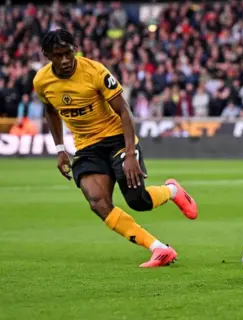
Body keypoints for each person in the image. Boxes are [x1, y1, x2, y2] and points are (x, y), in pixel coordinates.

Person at [33, 29, 198, 268]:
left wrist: (130, 154)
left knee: (137, 201)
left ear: (75, 48)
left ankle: (172, 191)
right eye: (58, 55)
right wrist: (60, 148)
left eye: (69, 53)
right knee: (98, 202)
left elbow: (125, 112)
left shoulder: (95, 71)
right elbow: (50, 110)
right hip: (88, 147)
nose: (66, 60)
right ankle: (159, 249)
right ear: (48, 55)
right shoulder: (41, 81)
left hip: (118, 139)